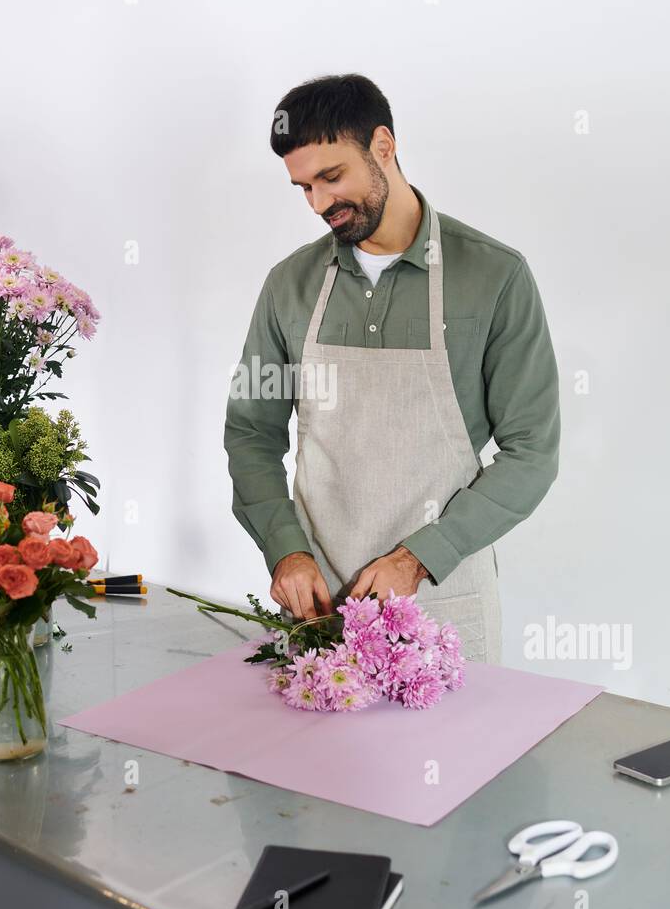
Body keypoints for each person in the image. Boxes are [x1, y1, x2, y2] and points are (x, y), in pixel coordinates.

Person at [224, 74, 560, 665]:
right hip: (319, 606)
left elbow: (532, 451)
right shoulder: (290, 285)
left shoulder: (495, 277)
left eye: (332, 177)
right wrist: (285, 552)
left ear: (384, 145)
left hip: (442, 598)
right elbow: (252, 433)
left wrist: (418, 558)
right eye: (304, 187)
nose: (320, 203)